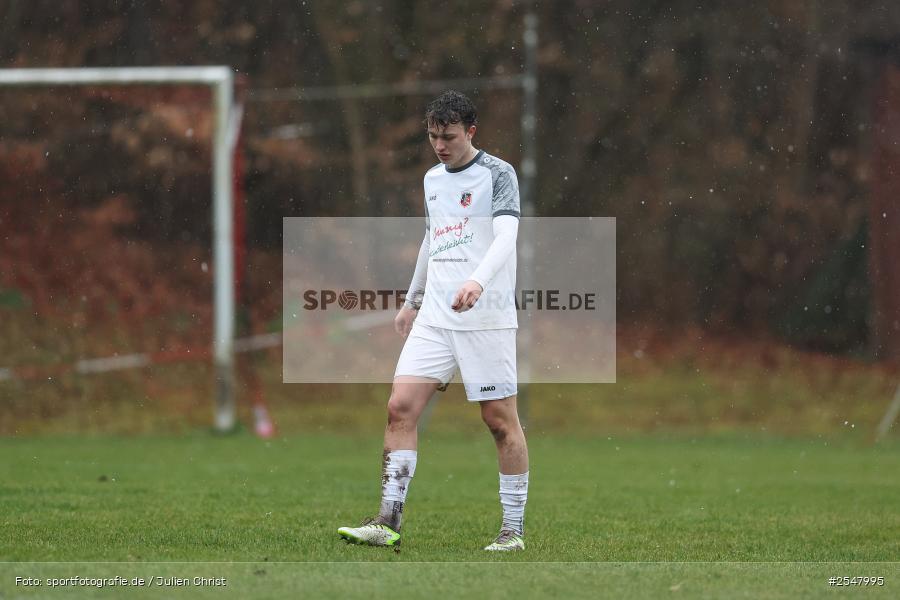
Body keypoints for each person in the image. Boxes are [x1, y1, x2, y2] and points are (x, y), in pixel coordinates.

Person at [337, 90, 529, 551]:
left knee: (500, 421)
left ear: (471, 132)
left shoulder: (498, 174)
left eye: (449, 136)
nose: (440, 146)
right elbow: (433, 238)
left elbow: (507, 237)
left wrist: (478, 282)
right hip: (436, 318)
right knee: (400, 407)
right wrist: (412, 299)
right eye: (432, 137)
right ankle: (387, 521)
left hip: (486, 317)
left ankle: (512, 531)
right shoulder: (432, 178)